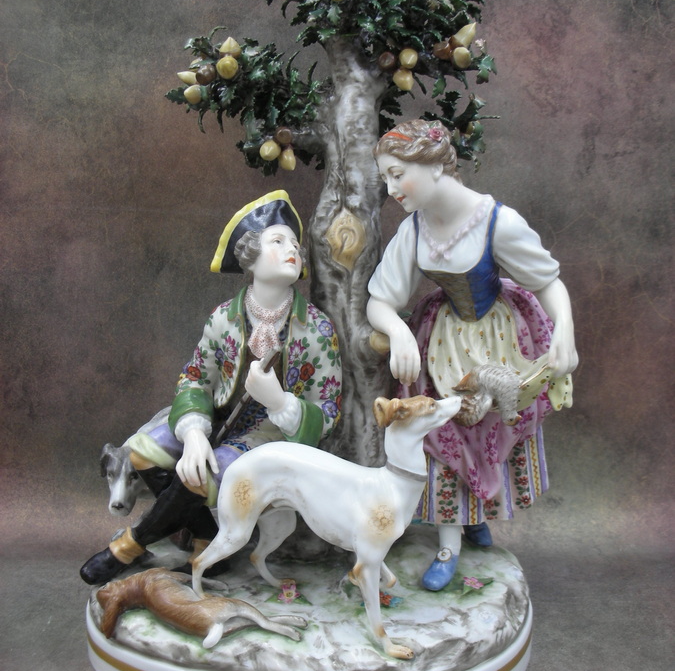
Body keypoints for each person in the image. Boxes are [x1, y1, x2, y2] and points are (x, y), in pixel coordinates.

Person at [81, 191, 342, 585]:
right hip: (216, 421)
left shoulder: (317, 330)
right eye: (277, 241)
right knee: (142, 451)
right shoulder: (224, 319)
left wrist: (280, 403)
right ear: (249, 256)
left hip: (268, 439)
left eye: (294, 243)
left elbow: (328, 410)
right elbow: (195, 378)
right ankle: (206, 540)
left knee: (201, 476)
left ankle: (129, 546)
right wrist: (193, 434)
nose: (292, 249)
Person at [366, 120, 577, 591]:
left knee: (488, 428)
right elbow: (380, 300)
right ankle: (449, 542)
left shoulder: (497, 221)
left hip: (498, 338)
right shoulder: (414, 229)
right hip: (443, 342)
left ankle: (474, 513)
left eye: (398, 175)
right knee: (445, 434)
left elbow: (547, 281)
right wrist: (398, 332)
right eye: (386, 178)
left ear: (435, 165)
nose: (392, 189)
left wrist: (565, 329)